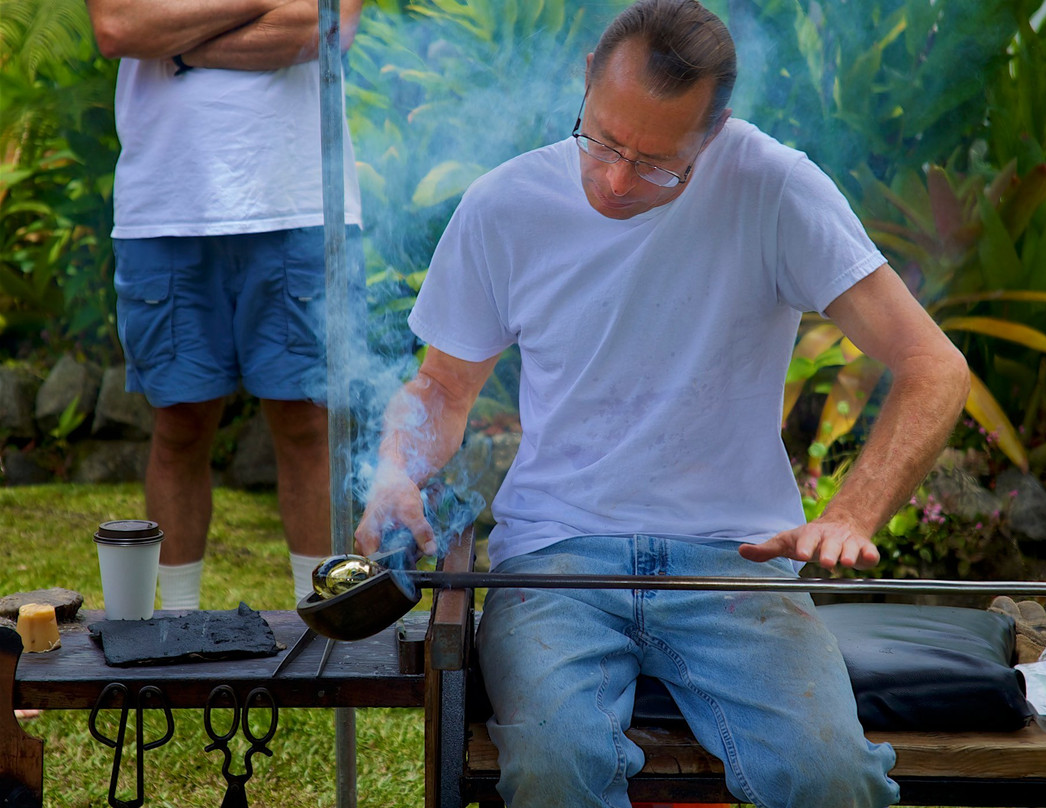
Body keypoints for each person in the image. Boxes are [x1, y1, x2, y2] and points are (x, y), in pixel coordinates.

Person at [355, 1, 970, 805]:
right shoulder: (505, 205)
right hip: (556, 559)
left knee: (832, 777)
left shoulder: (774, 187)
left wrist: (852, 514)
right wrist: (394, 473)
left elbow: (934, 366)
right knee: (555, 766)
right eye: (603, 140)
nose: (614, 180)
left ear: (712, 133)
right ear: (586, 82)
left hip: (735, 561)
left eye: (656, 163)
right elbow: (439, 386)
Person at [86, 0, 365, 608]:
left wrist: (179, 44)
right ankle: (177, 626)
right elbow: (118, 27)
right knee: (180, 423)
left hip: (301, 197)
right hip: (167, 199)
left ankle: (319, 627)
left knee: (308, 423)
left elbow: (329, 24)